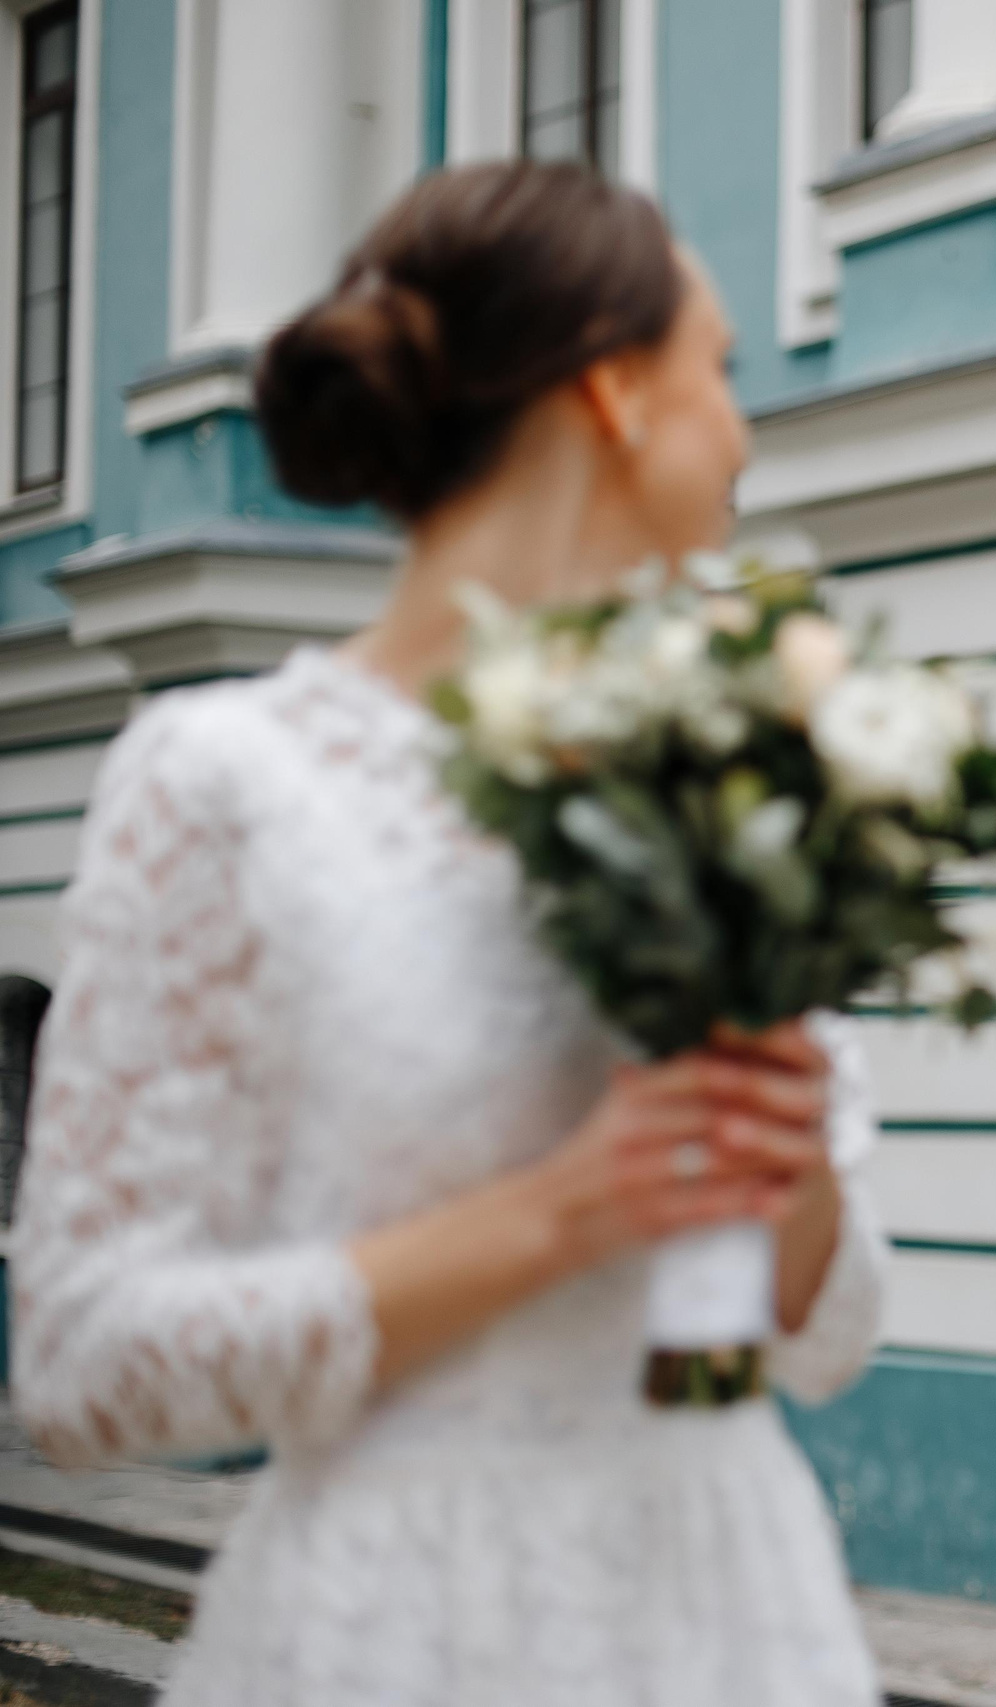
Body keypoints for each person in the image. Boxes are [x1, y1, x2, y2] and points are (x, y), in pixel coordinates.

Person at [9, 163, 891, 1705]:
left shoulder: (736, 761)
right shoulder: (232, 779)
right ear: (616, 391)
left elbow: (815, 1335)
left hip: (737, 1609)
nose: (744, 432)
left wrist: (786, 1130)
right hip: (401, 1622)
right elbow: (81, 1363)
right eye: (723, 371)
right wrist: (563, 1206)